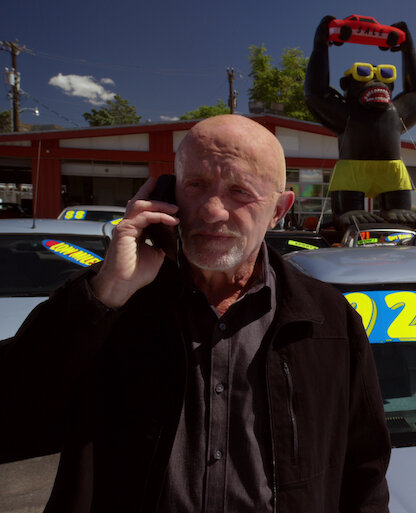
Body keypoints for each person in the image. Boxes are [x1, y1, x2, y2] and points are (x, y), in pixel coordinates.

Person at [0, 115, 391, 512]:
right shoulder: (115, 303)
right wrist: (109, 289)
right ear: (167, 193)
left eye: (240, 191)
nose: (212, 210)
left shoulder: (328, 319)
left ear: (278, 209)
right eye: (196, 185)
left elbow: (365, 469)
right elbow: (15, 413)